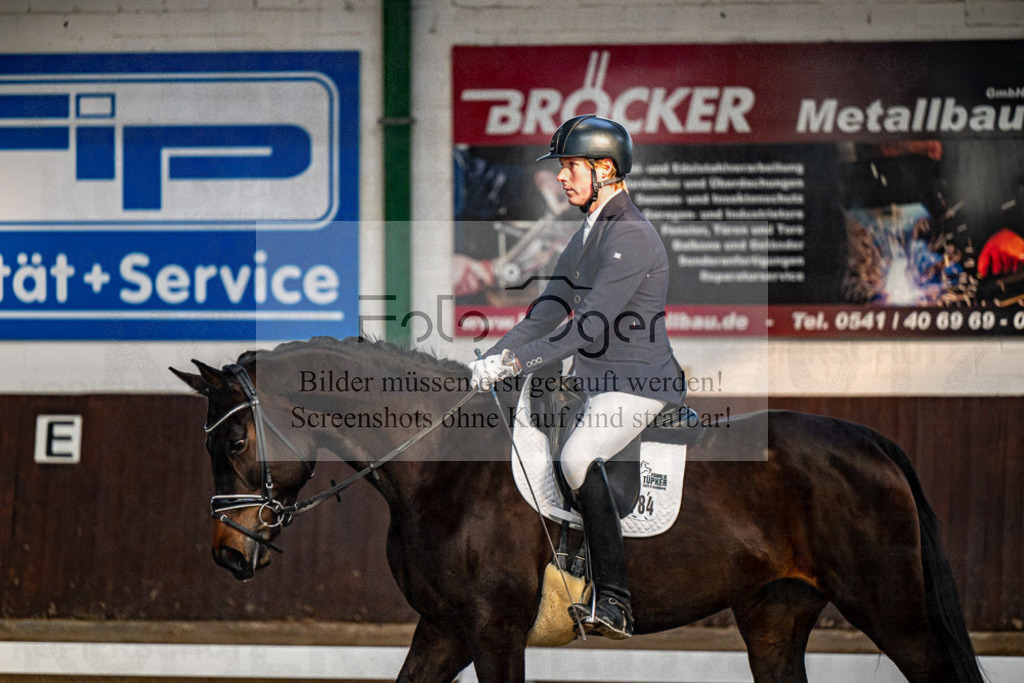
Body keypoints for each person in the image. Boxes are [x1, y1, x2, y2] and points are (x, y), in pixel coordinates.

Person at [468, 115, 683, 639]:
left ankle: (614, 600)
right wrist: (491, 358)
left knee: (577, 455)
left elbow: (587, 328)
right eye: (562, 168)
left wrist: (519, 363)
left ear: (605, 170)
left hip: (637, 385)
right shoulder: (587, 232)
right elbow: (546, 312)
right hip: (592, 382)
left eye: (571, 167)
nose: (562, 178)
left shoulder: (630, 235)